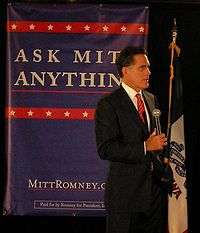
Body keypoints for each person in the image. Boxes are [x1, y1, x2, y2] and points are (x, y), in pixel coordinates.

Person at [94, 46, 173, 233]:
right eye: (142, 68)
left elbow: (155, 140)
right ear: (125, 71)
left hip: (154, 195)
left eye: (149, 67)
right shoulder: (109, 104)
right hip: (125, 197)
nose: (149, 72)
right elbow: (106, 148)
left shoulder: (151, 99)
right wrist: (145, 147)